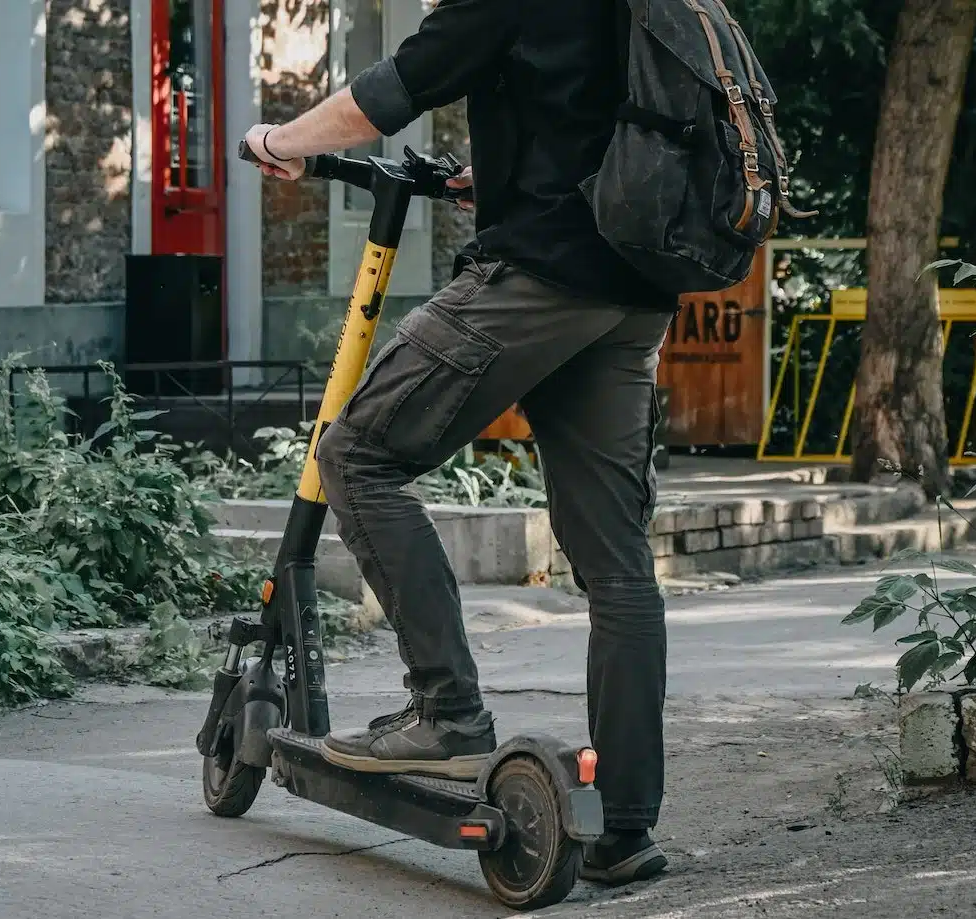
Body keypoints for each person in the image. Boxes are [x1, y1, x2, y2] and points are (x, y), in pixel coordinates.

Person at [243, 0, 678, 886]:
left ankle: (448, 713)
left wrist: (282, 139)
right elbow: (591, 107)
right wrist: (506, 170)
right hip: (634, 290)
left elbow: (384, 95)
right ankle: (624, 825)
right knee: (618, 566)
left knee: (356, 453)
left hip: (540, 278)